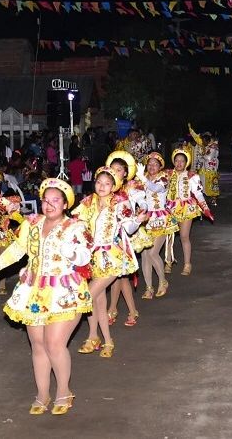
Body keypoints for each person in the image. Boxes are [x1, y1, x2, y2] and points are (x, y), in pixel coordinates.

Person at [0, 178, 92, 415]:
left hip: (64, 290)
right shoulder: (32, 224)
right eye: (46, 200)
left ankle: (64, 391)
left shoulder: (75, 227)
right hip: (34, 290)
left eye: (55, 200)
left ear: (65, 204)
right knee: (38, 345)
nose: (49, 205)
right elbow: (16, 251)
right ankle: (42, 394)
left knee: (54, 344)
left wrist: (71, 252)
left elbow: (85, 257)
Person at [72, 166, 145, 358]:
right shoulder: (87, 202)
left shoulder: (119, 203)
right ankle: (104, 340)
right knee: (98, 301)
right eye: (99, 182)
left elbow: (128, 228)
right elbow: (77, 227)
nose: (102, 186)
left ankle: (91, 336)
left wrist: (138, 220)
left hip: (112, 257)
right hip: (92, 259)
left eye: (107, 183)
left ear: (114, 186)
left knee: (87, 296)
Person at [104, 151, 145, 327]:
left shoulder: (130, 188)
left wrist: (140, 211)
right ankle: (114, 308)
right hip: (107, 240)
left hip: (125, 237)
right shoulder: (104, 189)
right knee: (116, 277)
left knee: (122, 277)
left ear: (126, 173)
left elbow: (142, 202)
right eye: (112, 169)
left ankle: (129, 310)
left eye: (119, 170)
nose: (115, 172)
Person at [134, 152, 178, 300]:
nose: (152, 166)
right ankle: (149, 287)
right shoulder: (141, 178)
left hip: (161, 219)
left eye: (155, 164)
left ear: (160, 166)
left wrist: (142, 178)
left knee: (153, 253)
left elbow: (155, 189)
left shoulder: (163, 178)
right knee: (145, 255)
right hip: (145, 220)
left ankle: (163, 281)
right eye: (149, 163)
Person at [164, 148, 214, 276]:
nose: (179, 163)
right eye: (177, 160)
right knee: (169, 237)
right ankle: (168, 261)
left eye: (182, 161)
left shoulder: (192, 176)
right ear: (173, 161)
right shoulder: (167, 174)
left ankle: (187, 264)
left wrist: (206, 208)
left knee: (184, 236)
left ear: (186, 162)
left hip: (186, 208)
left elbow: (198, 194)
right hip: (170, 208)